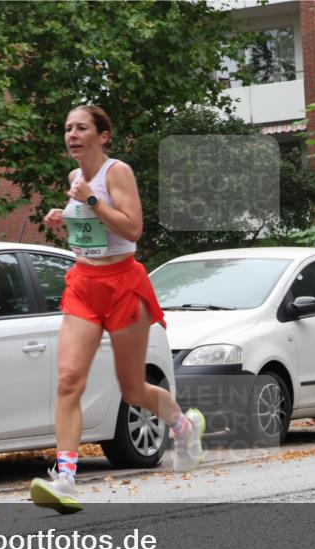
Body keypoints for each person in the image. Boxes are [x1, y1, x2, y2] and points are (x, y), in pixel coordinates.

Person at [29, 105, 205, 514]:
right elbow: (89, 229)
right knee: (69, 379)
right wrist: (65, 217)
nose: (72, 134)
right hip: (84, 285)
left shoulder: (116, 173)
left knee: (132, 388)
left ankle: (183, 426)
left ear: (102, 136)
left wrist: (90, 200)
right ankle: (67, 479)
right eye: (67, 128)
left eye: (81, 128)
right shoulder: (75, 177)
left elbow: (131, 228)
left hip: (123, 283)